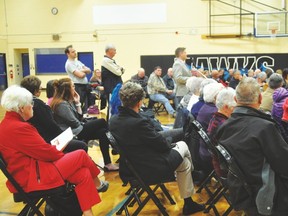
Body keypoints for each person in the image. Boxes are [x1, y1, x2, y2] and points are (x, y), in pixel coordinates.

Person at [0, 85, 107, 216]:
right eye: (30, 104)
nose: (32, 106)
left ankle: (88, 213)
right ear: (21, 108)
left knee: (83, 173)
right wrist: (58, 152)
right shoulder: (19, 128)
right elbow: (46, 153)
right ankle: (97, 184)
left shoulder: (8, 124)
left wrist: (56, 151)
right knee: (80, 155)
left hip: (33, 170)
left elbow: (40, 151)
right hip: (32, 176)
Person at [109, 82, 204, 215]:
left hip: (133, 164)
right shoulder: (138, 123)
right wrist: (169, 142)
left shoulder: (113, 120)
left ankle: (189, 202)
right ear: (140, 102)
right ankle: (194, 177)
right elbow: (162, 145)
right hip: (150, 166)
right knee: (182, 144)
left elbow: (147, 140)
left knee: (185, 163)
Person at [216, 77, 288, 215]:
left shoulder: (223, 127)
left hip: (241, 190)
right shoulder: (265, 128)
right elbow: (284, 164)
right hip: (267, 193)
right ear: (260, 98)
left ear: (236, 100)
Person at [50, 78, 118, 171]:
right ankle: (116, 146)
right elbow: (75, 122)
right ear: (67, 89)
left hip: (77, 128)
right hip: (72, 133)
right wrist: (84, 122)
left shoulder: (68, 101)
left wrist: (77, 103)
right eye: (73, 86)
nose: (74, 88)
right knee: (102, 121)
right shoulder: (61, 104)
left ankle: (108, 164)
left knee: (102, 132)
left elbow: (79, 118)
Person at [20, 76, 88, 153]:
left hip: (42, 137)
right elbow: (51, 125)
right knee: (82, 145)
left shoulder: (26, 103)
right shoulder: (38, 105)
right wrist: (66, 136)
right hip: (49, 140)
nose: (41, 87)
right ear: (36, 90)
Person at [204, 87, 236, 177]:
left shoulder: (215, 119)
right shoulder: (225, 126)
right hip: (227, 170)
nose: (235, 110)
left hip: (220, 164)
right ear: (226, 107)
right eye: (234, 107)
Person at [65, 45, 92, 113]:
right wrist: (83, 71)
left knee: (86, 105)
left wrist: (80, 70)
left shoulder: (77, 62)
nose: (75, 53)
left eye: (75, 51)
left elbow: (89, 70)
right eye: (73, 52)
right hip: (78, 86)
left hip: (85, 86)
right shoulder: (69, 64)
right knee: (80, 104)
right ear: (68, 54)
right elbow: (81, 75)